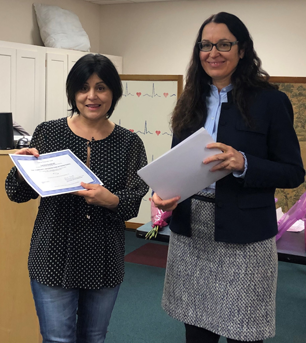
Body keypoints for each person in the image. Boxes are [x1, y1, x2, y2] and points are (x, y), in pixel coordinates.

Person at [152, 12, 305, 343]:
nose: (213, 52)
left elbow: (293, 172)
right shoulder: (190, 100)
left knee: (245, 332)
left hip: (245, 236)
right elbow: (177, 162)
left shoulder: (270, 101)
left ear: (243, 50)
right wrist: (164, 192)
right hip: (192, 230)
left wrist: (244, 162)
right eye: (205, 45)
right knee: (196, 332)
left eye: (224, 44)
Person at [5, 54, 149, 343]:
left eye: (101, 87)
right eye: (83, 88)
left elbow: (133, 201)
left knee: (93, 338)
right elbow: (18, 194)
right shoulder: (49, 132)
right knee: (57, 339)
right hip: (52, 253)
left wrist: (110, 199)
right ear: (73, 92)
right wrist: (22, 171)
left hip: (104, 256)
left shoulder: (129, 143)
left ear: (114, 93)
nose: (91, 96)